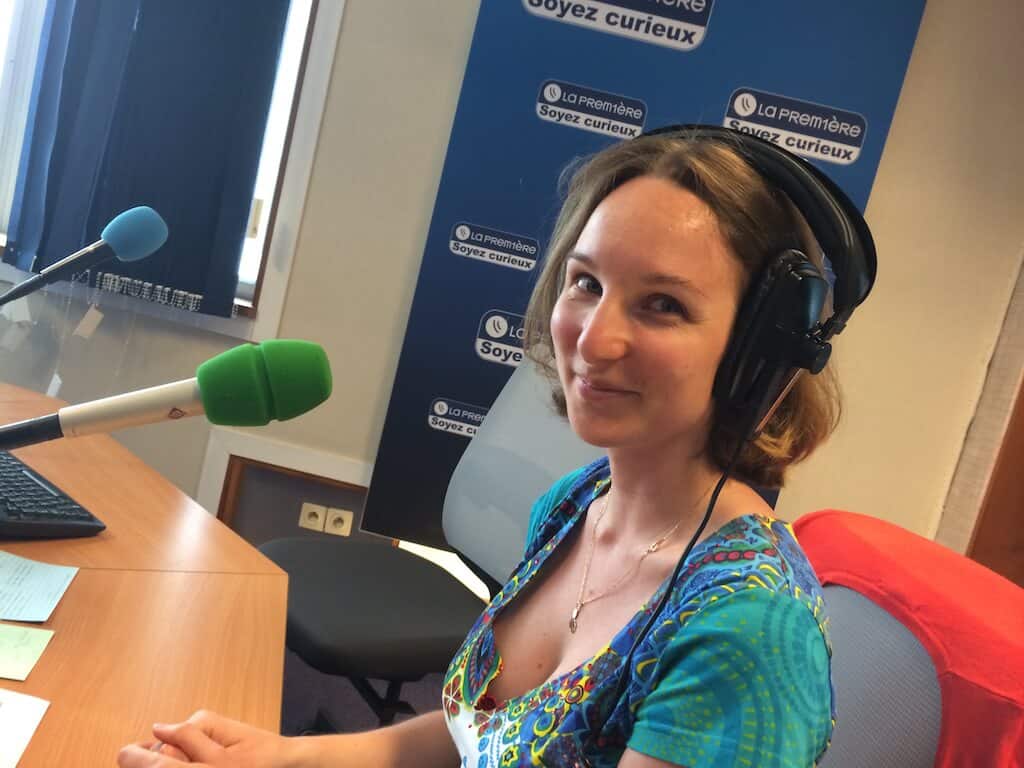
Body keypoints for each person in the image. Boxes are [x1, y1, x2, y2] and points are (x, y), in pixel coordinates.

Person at [119, 129, 844, 768]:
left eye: (663, 304)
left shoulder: (747, 635)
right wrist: (281, 756)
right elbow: (473, 737)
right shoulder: (579, 503)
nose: (594, 339)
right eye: (586, 282)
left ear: (758, 358)